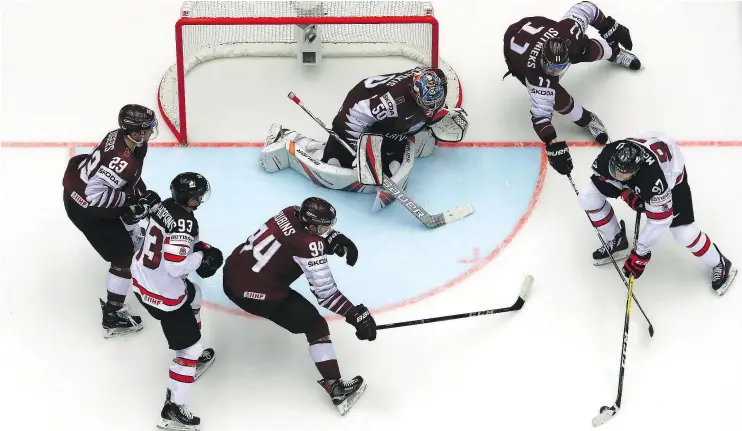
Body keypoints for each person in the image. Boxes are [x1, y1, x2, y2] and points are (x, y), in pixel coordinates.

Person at [222, 197, 375, 416]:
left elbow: (294, 237)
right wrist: (354, 315)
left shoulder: (289, 211)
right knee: (316, 326)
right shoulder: (308, 245)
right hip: (254, 294)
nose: (327, 230)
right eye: (323, 227)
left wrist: (333, 238)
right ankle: (336, 387)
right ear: (311, 226)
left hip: (233, 271)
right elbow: (326, 294)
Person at [258, 67, 468, 209]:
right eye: (426, 104)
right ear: (414, 92)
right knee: (334, 162)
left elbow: (428, 108)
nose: (430, 108)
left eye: (435, 102)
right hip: (355, 116)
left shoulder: (436, 79)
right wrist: (359, 147)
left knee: (390, 161)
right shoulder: (391, 102)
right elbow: (352, 117)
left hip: (390, 118)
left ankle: (413, 141)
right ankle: (287, 137)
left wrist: (442, 114)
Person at [578, 132, 737, 295]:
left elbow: (660, 221)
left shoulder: (655, 180)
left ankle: (719, 262)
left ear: (635, 172)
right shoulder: (609, 154)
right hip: (649, 151)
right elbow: (607, 178)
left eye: (623, 175)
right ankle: (617, 240)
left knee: (683, 233)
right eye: (615, 170)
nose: (617, 176)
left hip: (672, 174)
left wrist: (641, 253)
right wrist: (626, 194)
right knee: (587, 196)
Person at [503, 1, 641, 176]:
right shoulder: (536, 77)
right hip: (516, 54)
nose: (557, 72)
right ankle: (587, 120)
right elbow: (540, 117)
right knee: (558, 100)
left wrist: (609, 27)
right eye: (552, 67)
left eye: (560, 67)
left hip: (538, 26)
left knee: (585, 49)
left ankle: (615, 53)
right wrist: (552, 144)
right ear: (543, 60)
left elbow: (585, 8)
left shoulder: (568, 34)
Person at [131, 172, 222, 430]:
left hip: (142, 279)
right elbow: (175, 267)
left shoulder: (164, 206)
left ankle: (193, 346)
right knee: (189, 351)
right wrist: (202, 258)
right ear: (190, 198)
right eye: (198, 195)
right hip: (163, 295)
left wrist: (199, 247)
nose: (201, 198)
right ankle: (173, 409)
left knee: (196, 295)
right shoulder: (185, 223)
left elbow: (168, 240)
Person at [62, 104, 161, 338]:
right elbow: (94, 197)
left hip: (85, 188)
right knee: (123, 256)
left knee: (133, 203)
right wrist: (132, 200)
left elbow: (127, 179)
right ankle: (113, 315)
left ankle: (132, 232)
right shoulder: (120, 159)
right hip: (84, 207)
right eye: (147, 129)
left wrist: (137, 196)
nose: (151, 132)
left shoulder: (125, 138)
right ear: (135, 132)